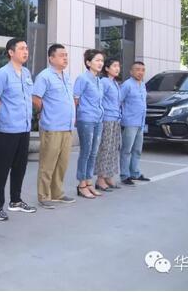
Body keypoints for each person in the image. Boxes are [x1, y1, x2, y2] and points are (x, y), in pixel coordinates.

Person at [0, 38, 36, 221]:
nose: (26, 52)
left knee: (20, 166)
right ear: (11, 52)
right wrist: (4, 116)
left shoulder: (26, 73)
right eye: (22, 48)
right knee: (2, 168)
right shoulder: (2, 74)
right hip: (7, 129)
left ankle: (15, 200)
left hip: (24, 127)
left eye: (27, 48)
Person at [32, 44, 77, 210]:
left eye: (66, 55)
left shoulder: (66, 76)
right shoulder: (45, 76)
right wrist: (46, 112)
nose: (65, 58)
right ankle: (44, 196)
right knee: (48, 163)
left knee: (62, 163)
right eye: (61, 55)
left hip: (67, 127)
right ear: (51, 58)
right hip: (52, 126)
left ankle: (57, 193)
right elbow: (36, 98)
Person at [74, 49, 105, 199]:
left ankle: (89, 182)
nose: (100, 63)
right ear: (88, 62)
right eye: (97, 60)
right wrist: (74, 118)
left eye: (102, 60)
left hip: (98, 119)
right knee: (85, 152)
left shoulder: (99, 80)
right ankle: (81, 185)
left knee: (93, 152)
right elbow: (75, 99)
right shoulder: (82, 78)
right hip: (86, 119)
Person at [120, 61, 150, 186]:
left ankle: (135, 173)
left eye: (142, 70)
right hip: (130, 122)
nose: (140, 72)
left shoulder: (142, 85)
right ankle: (125, 175)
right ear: (131, 71)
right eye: (137, 69)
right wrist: (121, 117)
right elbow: (118, 101)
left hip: (141, 122)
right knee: (126, 150)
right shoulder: (127, 85)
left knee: (137, 150)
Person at [95, 58, 123, 192]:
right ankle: (100, 179)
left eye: (118, 66)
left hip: (116, 119)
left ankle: (109, 176)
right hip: (106, 119)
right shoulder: (104, 82)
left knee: (113, 149)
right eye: (114, 66)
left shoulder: (115, 83)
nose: (117, 68)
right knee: (105, 149)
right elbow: (99, 99)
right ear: (107, 69)